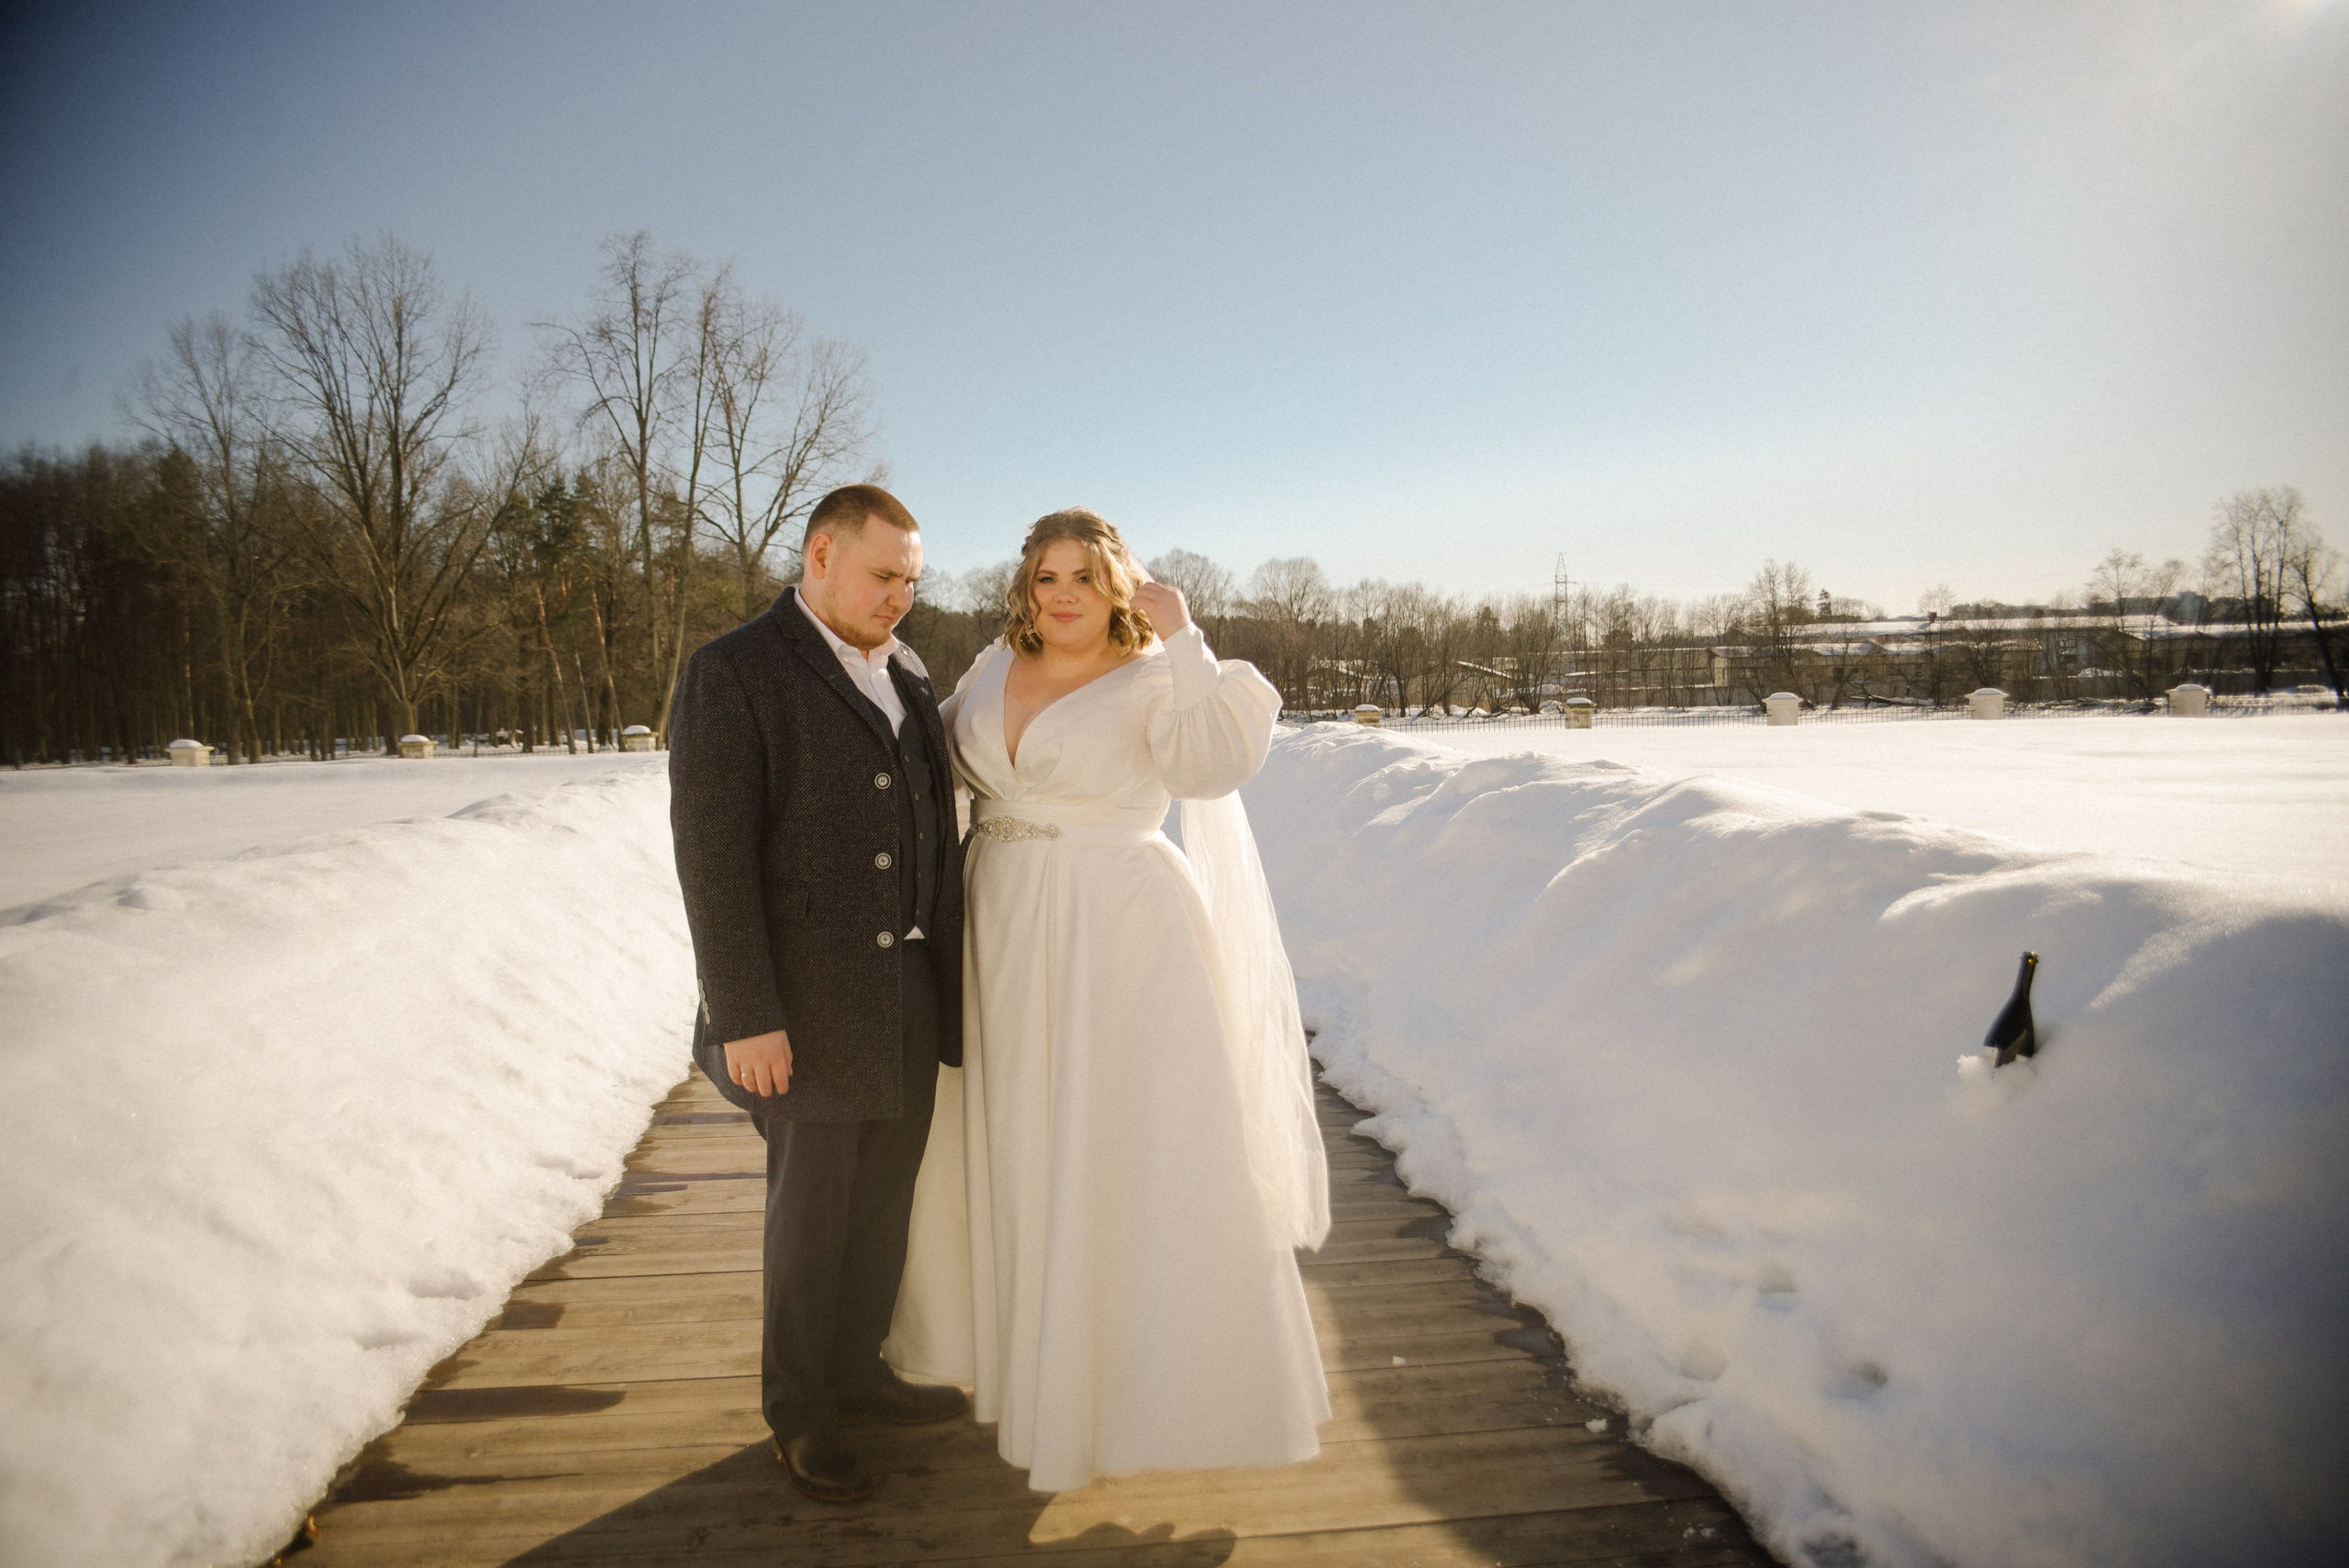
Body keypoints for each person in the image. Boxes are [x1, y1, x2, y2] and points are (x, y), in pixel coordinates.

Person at [885, 507, 1331, 1493]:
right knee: (1007, 1131)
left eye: (1084, 575)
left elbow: (1212, 766)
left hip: (1117, 928)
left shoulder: (1163, 672)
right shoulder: (992, 665)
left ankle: (1127, 1389)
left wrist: (1189, 639)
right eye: (1046, 575)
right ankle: (1011, 1358)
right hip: (996, 919)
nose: (1062, 593)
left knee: (1118, 1140)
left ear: (1120, 583)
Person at [666, 483, 970, 1505]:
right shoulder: (733, 671)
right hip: (799, 1007)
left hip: (909, 993)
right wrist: (746, 1012)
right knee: (810, 1221)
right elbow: (712, 859)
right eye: (884, 576)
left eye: (912, 583)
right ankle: (799, 1412)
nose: (900, 599)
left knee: (883, 1204)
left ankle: (858, 1375)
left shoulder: (913, 672)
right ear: (820, 555)